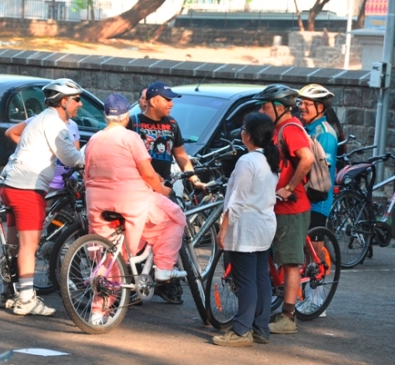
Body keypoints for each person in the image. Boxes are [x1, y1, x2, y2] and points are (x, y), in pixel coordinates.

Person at [84, 93, 187, 323]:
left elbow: (87, 172)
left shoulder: (94, 139)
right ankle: (163, 268)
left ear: (105, 116)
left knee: (107, 256)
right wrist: (163, 190)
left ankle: (97, 313)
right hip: (130, 199)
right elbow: (148, 174)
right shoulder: (131, 138)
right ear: (126, 116)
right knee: (175, 217)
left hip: (97, 202)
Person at [0, 78, 85, 316]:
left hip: (11, 184)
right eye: (77, 99)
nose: (80, 104)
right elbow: (71, 157)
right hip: (28, 188)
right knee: (29, 245)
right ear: (64, 101)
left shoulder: (39, 118)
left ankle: (8, 292)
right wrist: (88, 160)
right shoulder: (56, 124)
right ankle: (26, 300)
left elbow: (14, 133)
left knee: (15, 245)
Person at [128, 81, 206, 304]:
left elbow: (181, 155)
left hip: (165, 189)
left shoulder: (172, 124)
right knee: (139, 237)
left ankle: (167, 283)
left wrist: (193, 178)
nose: (171, 104)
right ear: (153, 101)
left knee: (170, 235)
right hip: (140, 189)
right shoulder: (132, 123)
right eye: (167, 99)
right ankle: (136, 281)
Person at [212, 112, 279, 347]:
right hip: (264, 225)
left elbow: (237, 201)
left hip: (246, 227)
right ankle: (260, 327)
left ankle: (242, 330)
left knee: (246, 280)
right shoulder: (269, 160)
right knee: (261, 277)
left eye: (243, 128)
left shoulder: (248, 161)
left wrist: (223, 229)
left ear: (248, 136)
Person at [254, 84, 314, 334]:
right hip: (276, 205)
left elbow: (307, 159)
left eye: (265, 106)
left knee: (290, 263)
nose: (261, 110)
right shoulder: (278, 129)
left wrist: (289, 187)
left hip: (292, 206)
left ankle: (288, 317)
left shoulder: (290, 129)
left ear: (280, 108)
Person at [296, 84, 338, 317]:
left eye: (307, 104)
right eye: (300, 103)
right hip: (303, 198)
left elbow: (320, 170)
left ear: (320, 107)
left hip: (318, 200)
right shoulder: (305, 127)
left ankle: (317, 301)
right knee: (302, 249)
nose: (301, 107)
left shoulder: (326, 134)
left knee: (315, 251)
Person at [5, 115, 80, 192]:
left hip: (67, 180)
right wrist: (30, 146)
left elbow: (76, 152)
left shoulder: (73, 125)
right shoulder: (37, 120)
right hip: (45, 180)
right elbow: (11, 133)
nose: (80, 104)